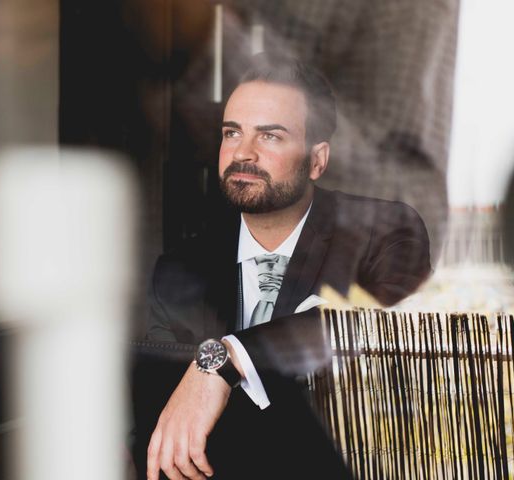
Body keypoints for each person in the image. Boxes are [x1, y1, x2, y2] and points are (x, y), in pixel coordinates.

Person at [133, 53, 431, 480]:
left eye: (270, 136)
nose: (243, 153)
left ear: (317, 159)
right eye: (231, 133)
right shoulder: (179, 270)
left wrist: (230, 358)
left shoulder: (384, 234)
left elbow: (371, 330)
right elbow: (166, 420)